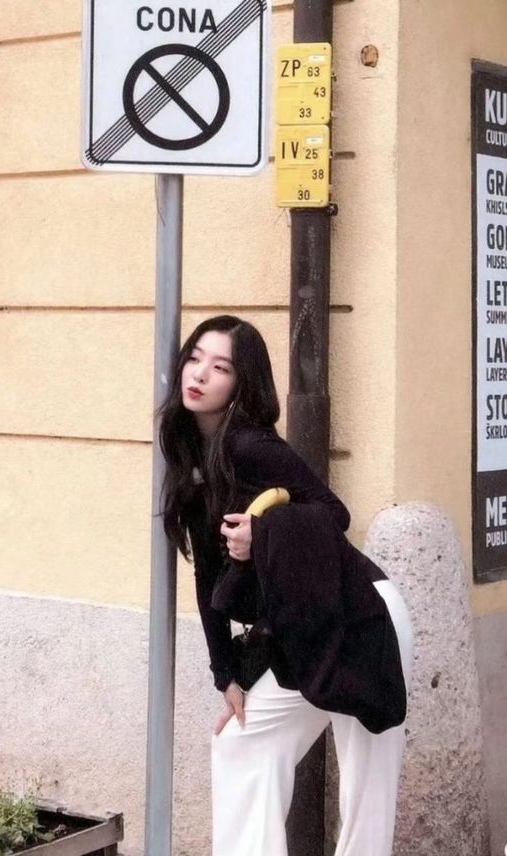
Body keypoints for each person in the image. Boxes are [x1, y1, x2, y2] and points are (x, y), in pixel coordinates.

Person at [157, 314, 414, 856]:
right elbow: (207, 575)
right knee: (240, 747)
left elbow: (333, 512)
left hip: (362, 611)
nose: (199, 373)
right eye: (195, 357)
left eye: (220, 367)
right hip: (306, 617)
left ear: (241, 383)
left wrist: (263, 534)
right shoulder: (192, 456)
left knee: (366, 785)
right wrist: (225, 673)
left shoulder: (249, 446)